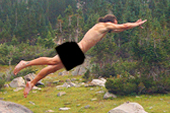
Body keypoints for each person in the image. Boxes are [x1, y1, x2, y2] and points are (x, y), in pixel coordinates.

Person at [13, 15, 146, 97]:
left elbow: (121, 28)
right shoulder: (104, 25)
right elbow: (123, 26)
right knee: (52, 60)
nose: (115, 26)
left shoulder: (104, 27)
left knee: (52, 68)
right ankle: (25, 63)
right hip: (76, 48)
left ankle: (32, 83)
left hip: (78, 53)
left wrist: (133, 25)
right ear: (111, 21)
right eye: (115, 23)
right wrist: (135, 24)